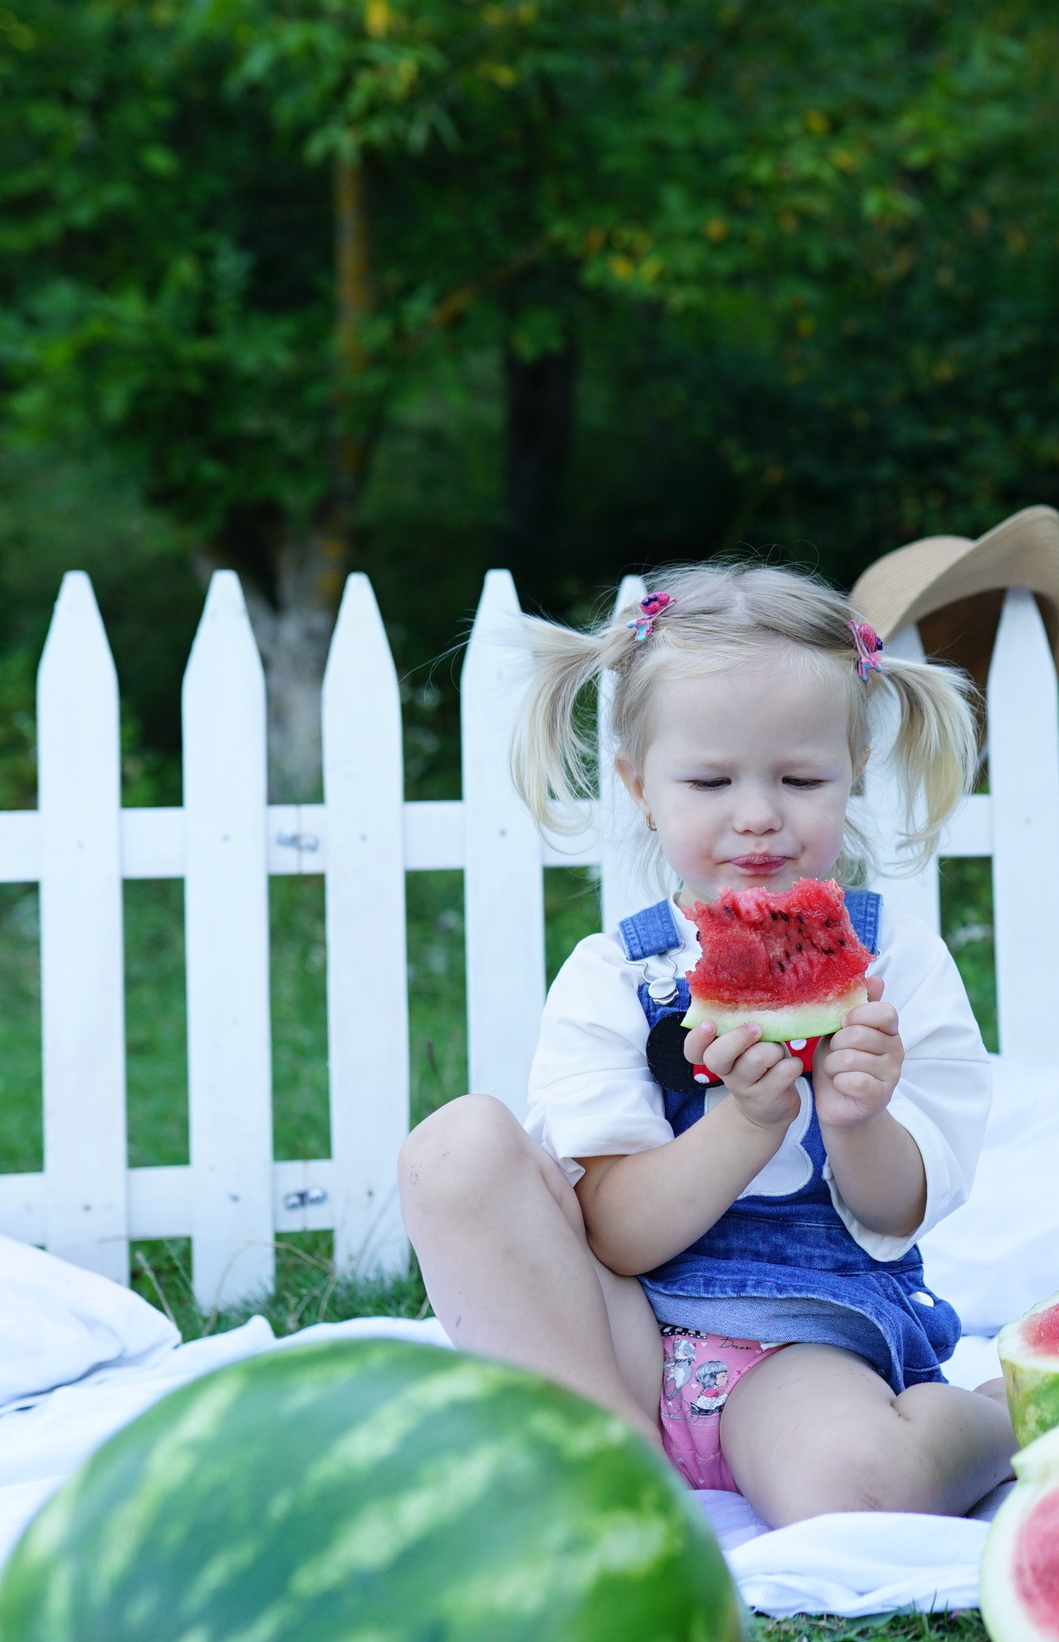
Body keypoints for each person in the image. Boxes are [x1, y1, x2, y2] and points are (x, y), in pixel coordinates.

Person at [399, 564, 1014, 1525]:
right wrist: (747, 1125)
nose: (759, 812)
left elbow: (906, 1207)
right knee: (453, 1147)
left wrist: (858, 1121)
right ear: (641, 788)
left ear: (853, 772)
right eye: (711, 780)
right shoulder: (614, 977)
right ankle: (615, 1470)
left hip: (807, 1338)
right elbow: (616, 1235)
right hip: (625, 1336)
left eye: (801, 779)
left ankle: (1002, 1414)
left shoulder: (897, 963)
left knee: (857, 1489)